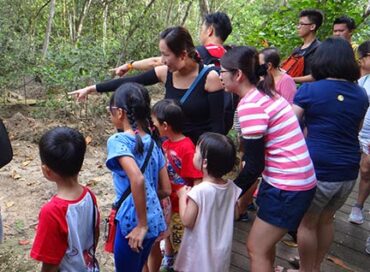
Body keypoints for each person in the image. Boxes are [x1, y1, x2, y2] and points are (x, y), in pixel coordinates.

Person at [220, 46, 316, 272]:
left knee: (256, 248)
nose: (219, 76)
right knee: (264, 245)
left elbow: (254, 165)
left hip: (288, 186)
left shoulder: (251, 105)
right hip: (293, 179)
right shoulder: (266, 93)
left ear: (238, 74)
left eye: (222, 71)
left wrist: (228, 192)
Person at [70, 26, 225, 144]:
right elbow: (130, 81)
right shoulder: (165, 73)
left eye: (166, 55)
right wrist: (92, 88)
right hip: (168, 149)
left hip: (194, 154)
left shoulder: (210, 78)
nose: (162, 60)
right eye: (161, 54)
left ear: (183, 55)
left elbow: (218, 128)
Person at [292, 37, 368, 272]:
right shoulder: (361, 95)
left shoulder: (310, 90)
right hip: (347, 172)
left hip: (318, 169)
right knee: (326, 220)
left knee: (307, 223)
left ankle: (306, 270)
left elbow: (291, 127)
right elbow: (353, 130)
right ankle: (314, 267)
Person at [105, 82, 171, 271]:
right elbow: (165, 189)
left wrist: (141, 224)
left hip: (133, 224)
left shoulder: (118, 141)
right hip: (155, 220)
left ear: (119, 112)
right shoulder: (153, 142)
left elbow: (137, 179)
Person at [30, 127, 100, 271]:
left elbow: (50, 262)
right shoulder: (89, 196)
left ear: (46, 171)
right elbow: (95, 234)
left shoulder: (52, 212)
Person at [174, 132, 241, 272]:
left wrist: (182, 197)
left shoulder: (199, 192)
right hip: (221, 251)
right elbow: (236, 214)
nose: (193, 154)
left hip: (199, 252)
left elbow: (187, 221)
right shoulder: (232, 187)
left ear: (204, 162)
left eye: (196, 152)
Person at [151, 99, 202, 271]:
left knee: (180, 237)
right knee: (168, 232)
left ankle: (182, 263)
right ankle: (169, 258)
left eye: (155, 122)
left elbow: (197, 179)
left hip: (181, 205)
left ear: (165, 125)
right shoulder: (165, 143)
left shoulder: (187, 148)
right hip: (168, 202)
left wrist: (193, 205)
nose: (153, 125)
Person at [111, 12, 232, 75]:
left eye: (202, 28)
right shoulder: (230, 56)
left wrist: (129, 65)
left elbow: (155, 62)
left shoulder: (198, 53)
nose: (201, 32)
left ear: (210, 30)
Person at [289, 9, 323, 83]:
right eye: (298, 24)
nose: (298, 27)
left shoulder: (320, 49)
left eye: (301, 24)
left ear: (312, 27)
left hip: (311, 91)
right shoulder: (297, 50)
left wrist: (289, 80)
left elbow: (317, 76)